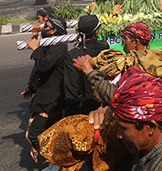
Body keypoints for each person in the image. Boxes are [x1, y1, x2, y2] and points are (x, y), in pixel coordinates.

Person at [22, 14, 68, 164]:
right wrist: (31, 88)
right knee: (48, 133)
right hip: (43, 95)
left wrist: (35, 50)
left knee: (34, 134)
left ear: (54, 31)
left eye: (47, 26)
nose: (44, 28)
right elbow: (38, 70)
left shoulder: (60, 47)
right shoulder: (48, 44)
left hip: (52, 99)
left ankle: (56, 160)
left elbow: (43, 64)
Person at [63, 14, 109, 116]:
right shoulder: (104, 47)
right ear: (96, 32)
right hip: (101, 105)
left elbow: (72, 91)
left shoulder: (72, 55)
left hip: (81, 109)